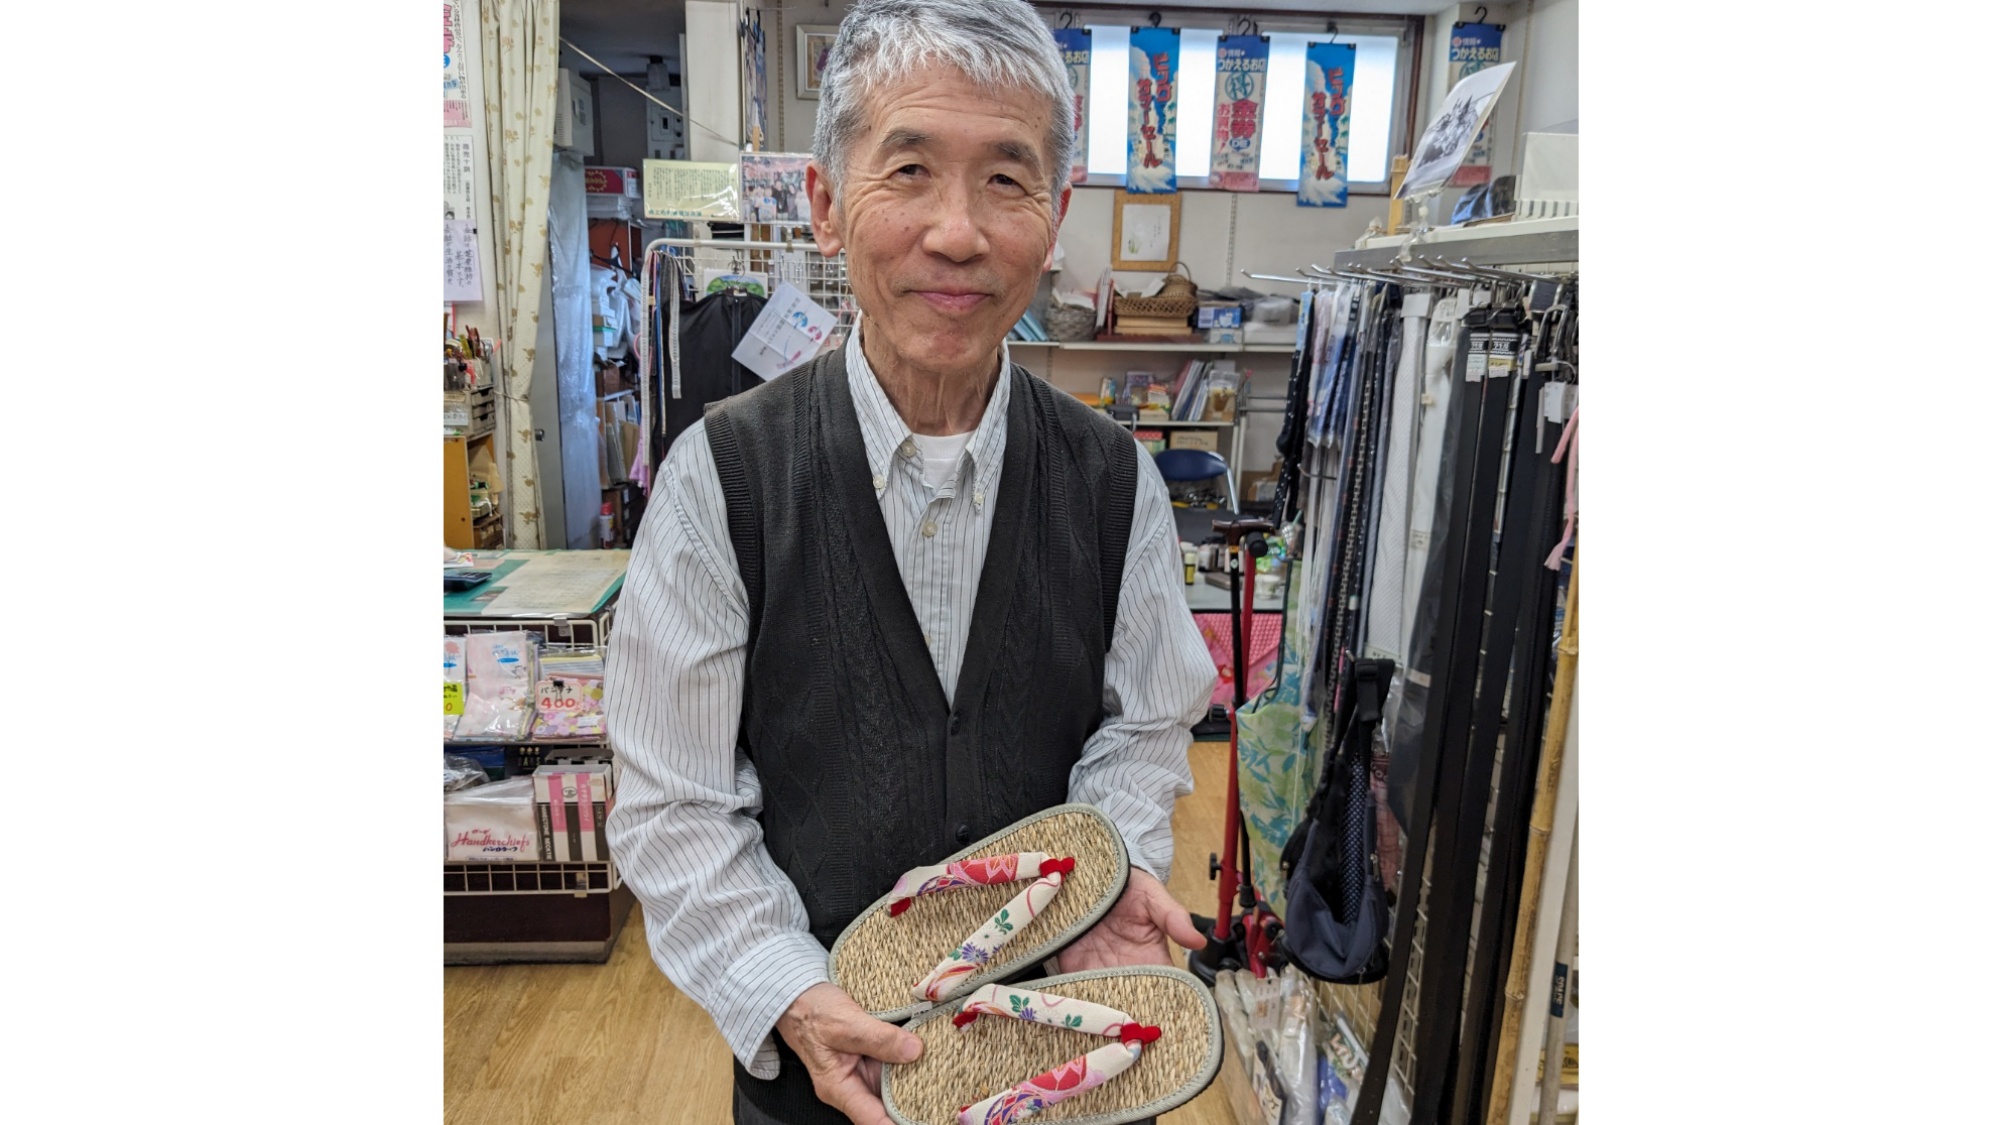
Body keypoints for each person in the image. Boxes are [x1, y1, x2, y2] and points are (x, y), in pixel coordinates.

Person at [604, 2, 1217, 1123]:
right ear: (828, 203)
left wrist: (1109, 863)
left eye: (1005, 180)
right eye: (910, 171)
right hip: (821, 1074)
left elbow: (1143, 729)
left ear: (1055, 212)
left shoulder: (1108, 479)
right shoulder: (724, 477)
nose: (956, 233)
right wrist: (784, 991)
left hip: (1050, 1061)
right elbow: (673, 804)